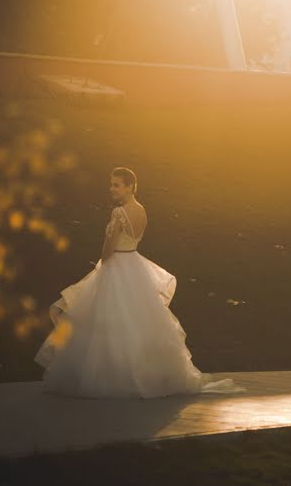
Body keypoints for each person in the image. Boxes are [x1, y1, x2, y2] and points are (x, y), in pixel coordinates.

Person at [35, 167, 243, 398]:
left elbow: (108, 250)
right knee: (138, 320)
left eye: (116, 184)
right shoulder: (142, 210)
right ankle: (148, 374)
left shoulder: (119, 213)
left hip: (117, 265)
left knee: (106, 321)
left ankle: (109, 376)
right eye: (111, 184)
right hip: (134, 264)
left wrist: (103, 261)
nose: (111, 188)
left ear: (130, 186)